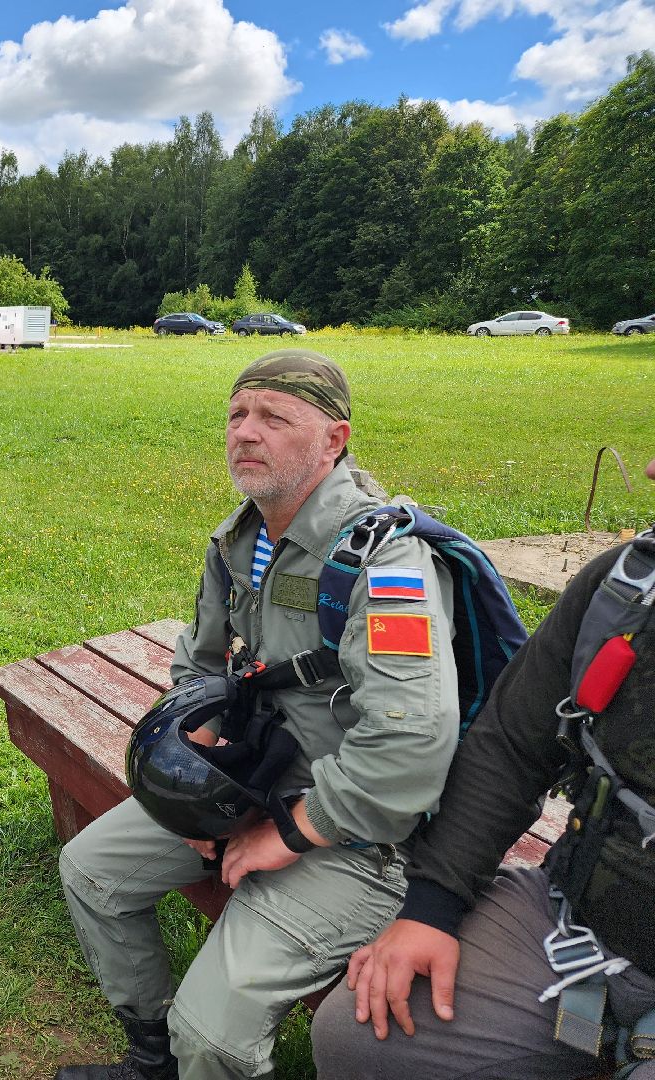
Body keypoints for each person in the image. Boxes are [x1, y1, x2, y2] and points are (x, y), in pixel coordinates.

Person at [54, 350, 463, 1080]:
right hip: (255, 786)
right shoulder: (240, 537)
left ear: (334, 439)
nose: (246, 432)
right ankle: (154, 1062)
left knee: (211, 1032)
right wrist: (208, 796)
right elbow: (200, 666)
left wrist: (288, 832)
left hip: (362, 833)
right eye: (238, 414)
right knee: (92, 870)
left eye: (275, 417)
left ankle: (189, 1057)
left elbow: (413, 744)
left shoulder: (387, 561)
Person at [311, 454, 655, 1080]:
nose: (653, 467)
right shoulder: (630, 586)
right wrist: (432, 906)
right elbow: (511, 746)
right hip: (582, 916)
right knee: (360, 1037)